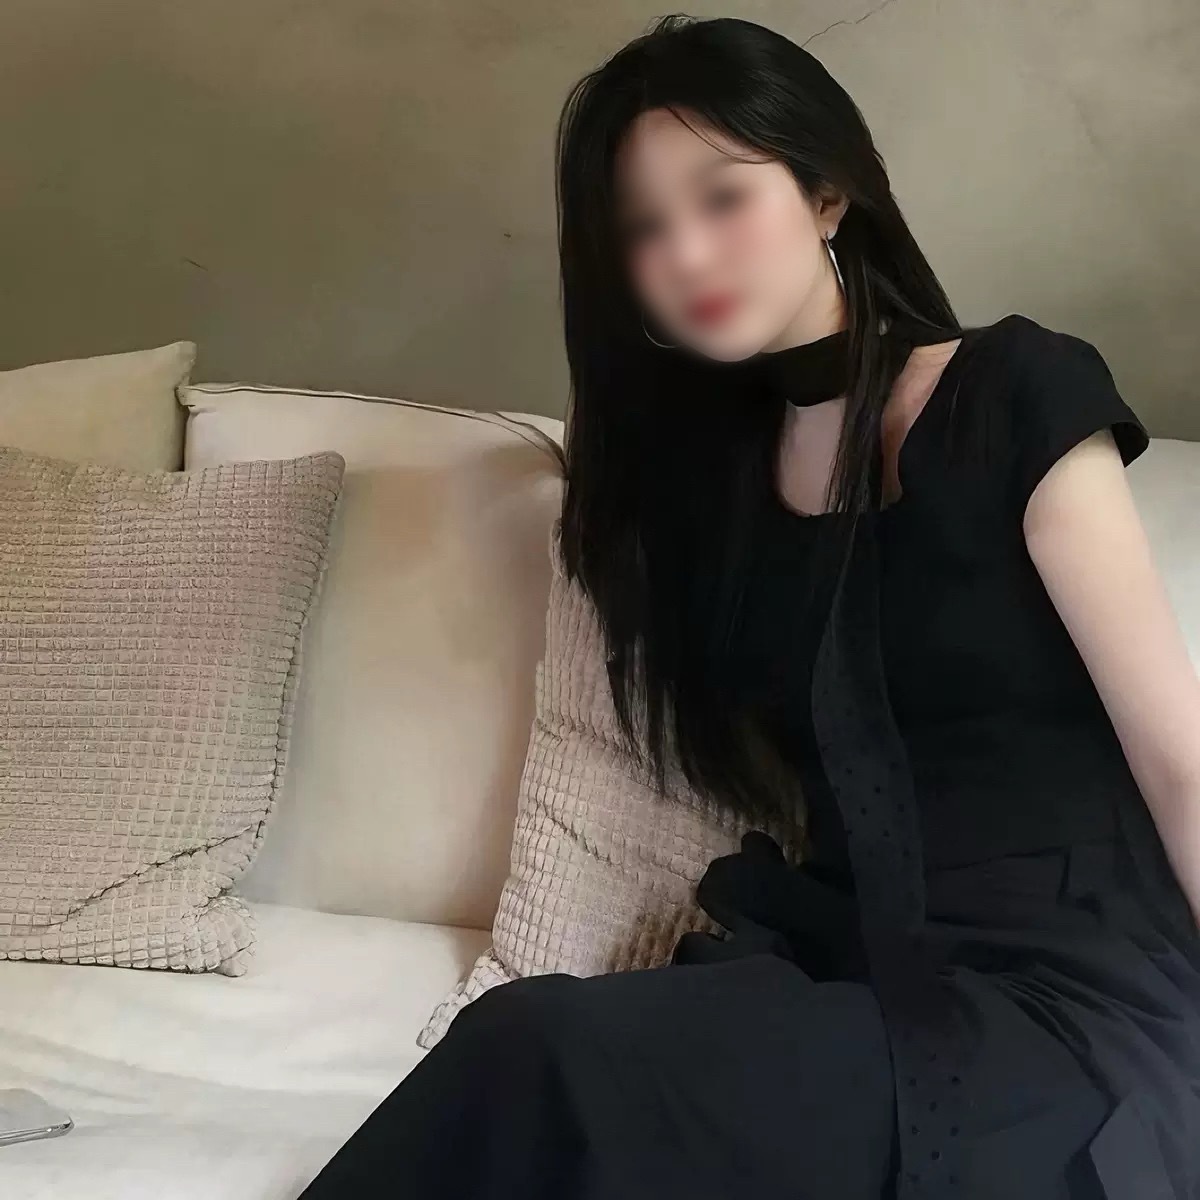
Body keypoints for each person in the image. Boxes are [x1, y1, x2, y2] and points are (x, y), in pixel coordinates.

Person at [302, 15, 1200, 1199]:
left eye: (722, 198)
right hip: (851, 965)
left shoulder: (1014, 390)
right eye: (644, 229)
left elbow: (1179, 761)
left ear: (828, 196)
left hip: (1066, 988)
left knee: (544, 1055)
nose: (685, 255)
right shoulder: (708, 492)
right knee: (540, 1051)